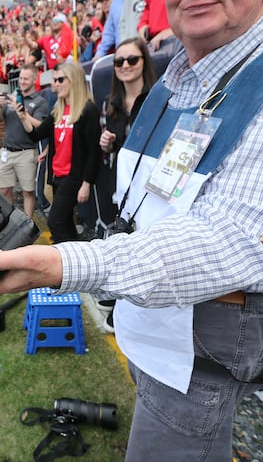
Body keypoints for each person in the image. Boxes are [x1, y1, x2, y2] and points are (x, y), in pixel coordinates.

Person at [0, 0, 263, 459]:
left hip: (200, 347)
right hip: (153, 326)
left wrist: (67, 264)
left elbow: (241, 239)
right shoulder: (172, 87)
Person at [96, 37, 157, 331]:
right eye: (119, 61)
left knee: (140, 249)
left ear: (144, 62)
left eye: (132, 59)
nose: (125, 66)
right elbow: (114, 149)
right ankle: (119, 300)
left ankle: (125, 309)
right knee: (120, 245)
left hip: (150, 189)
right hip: (121, 187)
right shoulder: (113, 104)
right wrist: (106, 143)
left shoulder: (159, 97)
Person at [17, 63, 102, 243]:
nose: (55, 84)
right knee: (64, 222)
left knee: (55, 222)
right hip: (57, 175)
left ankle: (63, 259)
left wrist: (86, 183)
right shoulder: (58, 110)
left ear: (74, 80)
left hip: (73, 177)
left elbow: (93, 151)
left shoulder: (88, 110)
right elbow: (37, 135)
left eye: (60, 79)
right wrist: (24, 117)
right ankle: (76, 259)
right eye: (54, 80)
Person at [0, 64, 49, 219]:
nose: (22, 81)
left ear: (34, 79)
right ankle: (11, 222)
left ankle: (27, 224)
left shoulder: (40, 102)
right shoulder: (11, 97)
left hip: (26, 152)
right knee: (4, 190)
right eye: (21, 78)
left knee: (27, 192)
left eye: (26, 78)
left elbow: (41, 126)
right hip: (7, 151)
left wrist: (22, 111)